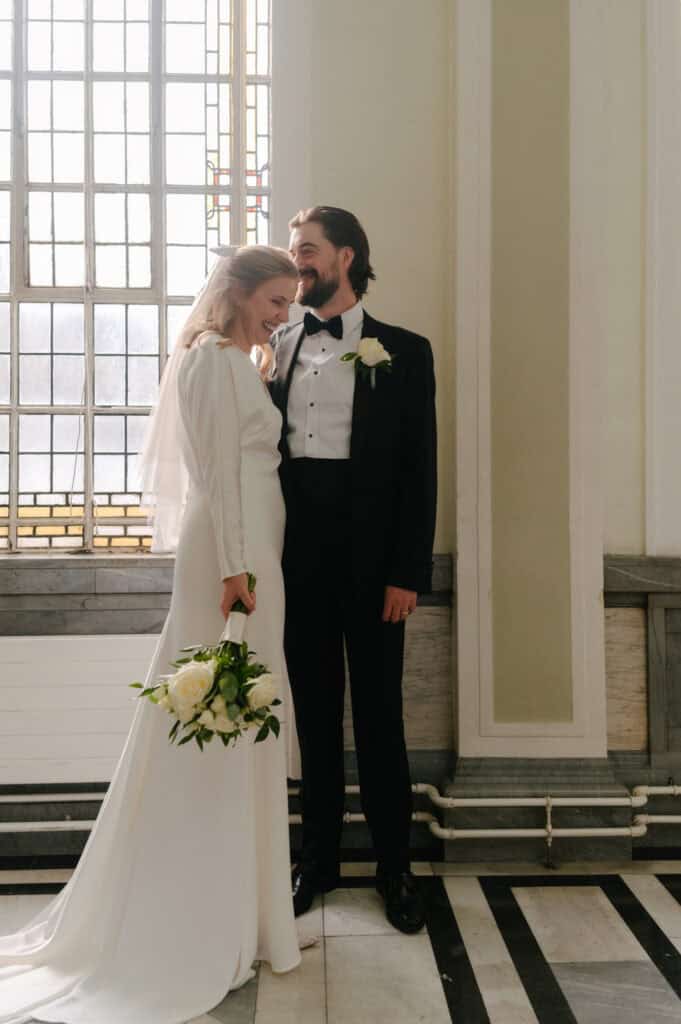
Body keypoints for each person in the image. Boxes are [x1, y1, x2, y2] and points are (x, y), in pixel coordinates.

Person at [0, 247, 302, 1024]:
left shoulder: (241, 359)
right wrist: (237, 568)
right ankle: (201, 910)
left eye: (287, 300)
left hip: (255, 546)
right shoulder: (210, 362)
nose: (281, 313)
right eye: (273, 298)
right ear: (236, 293)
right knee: (217, 713)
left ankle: (251, 914)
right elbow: (215, 477)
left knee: (245, 716)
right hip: (231, 557)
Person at [269, 206, 437, 934]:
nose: (295, 263)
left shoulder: (404, 349)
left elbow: (418, 469)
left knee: (378, 718)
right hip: (297, 552)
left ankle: (394, 869)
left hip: (374, 564)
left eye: (306, 251)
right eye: (291, 250)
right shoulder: (273, 344)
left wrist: (407, 572)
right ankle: (318, 861)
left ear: (346, 257)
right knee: (311, 715)